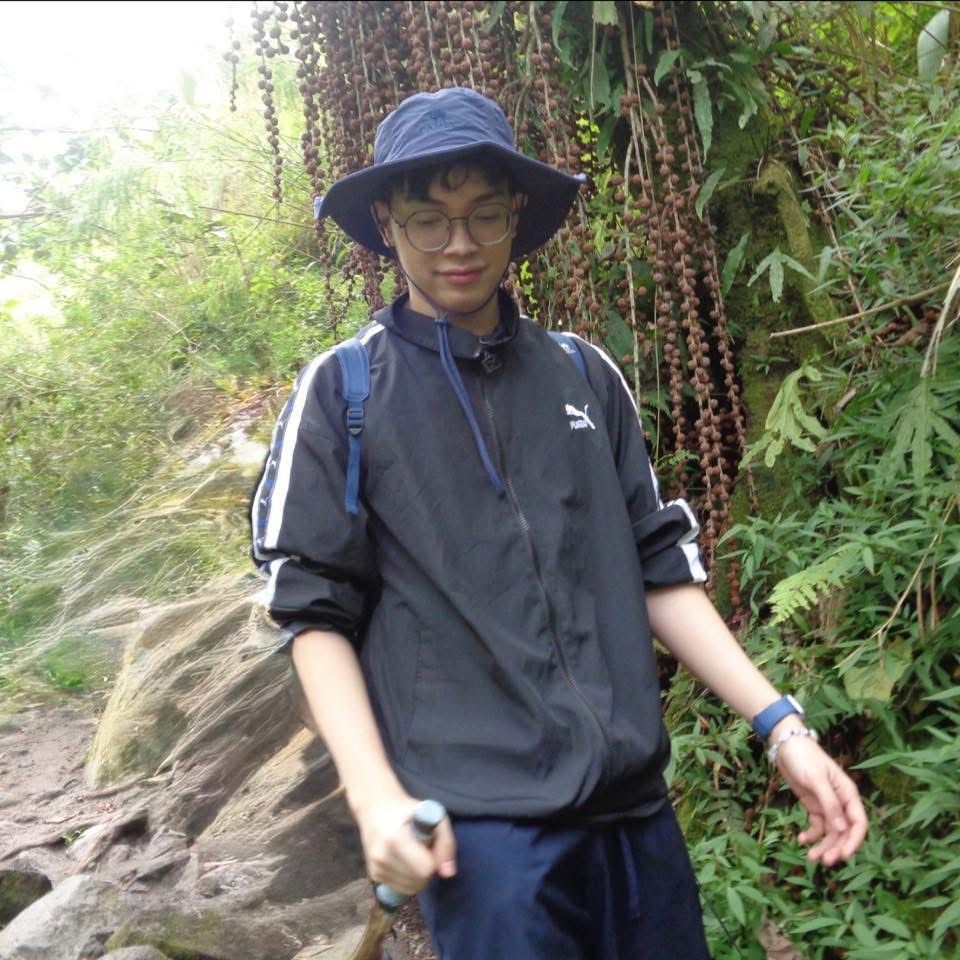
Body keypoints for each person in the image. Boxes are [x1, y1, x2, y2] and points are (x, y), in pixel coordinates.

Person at [250, 87, 867, 959]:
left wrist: (781, 727)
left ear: (518, 216)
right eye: (429, 219)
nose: (459, 245)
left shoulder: (583, 374)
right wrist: (373, 795)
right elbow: (311, 609)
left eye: (483, 215)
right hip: (488, 837)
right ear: (386, 222)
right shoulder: (344, 393)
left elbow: (659, 567)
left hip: (637, 817)